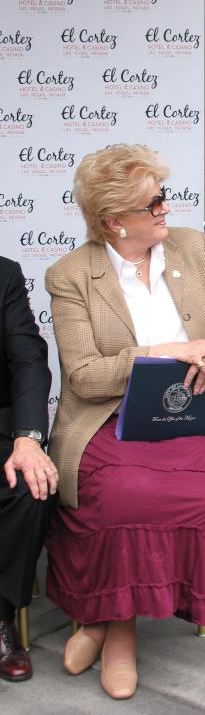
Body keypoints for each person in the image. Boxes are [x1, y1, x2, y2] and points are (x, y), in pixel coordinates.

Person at [44, 144, 205, 700]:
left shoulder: (192, 249)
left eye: (163, 195)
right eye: (151, 202)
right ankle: (120, 628)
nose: (164, 208)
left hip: (190, 415)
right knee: (123, 491)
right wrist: (162, 351)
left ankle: (100, 619)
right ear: (113, 220)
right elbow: (84, 376)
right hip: (107, 421)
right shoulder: (71, 276)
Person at [0, 256, 56, 682]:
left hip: (3, 432)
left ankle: (0, 617)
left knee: (30, 485)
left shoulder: (3, 273)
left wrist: (28, 437)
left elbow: (28, 359)